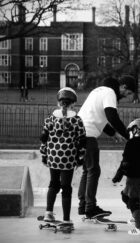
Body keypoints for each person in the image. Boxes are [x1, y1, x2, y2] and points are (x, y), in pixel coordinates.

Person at [78, 76, 135, 218]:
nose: (125, 97)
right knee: (93, 171)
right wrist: (129, 137)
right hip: (87, 134)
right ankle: (90, 208)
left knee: (87, 170)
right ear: (123, 87)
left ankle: (83, 205)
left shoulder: (99, 91)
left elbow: (98, 117)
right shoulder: (110, 92)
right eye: (127, 93)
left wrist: (114, 133)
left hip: (79, 132)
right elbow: (112, 117)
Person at [39, 87, 86, 226]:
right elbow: (82, 142)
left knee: (53, 184)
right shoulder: (77, 120)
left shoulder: (50, 119)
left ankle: (48, 214)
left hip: (53, 157)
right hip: (69, 159)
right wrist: (80, 158)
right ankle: (66, 219)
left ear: (59, 103)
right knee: (66, 187)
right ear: (73, 103)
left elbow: (44, 139)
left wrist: (44, 155)